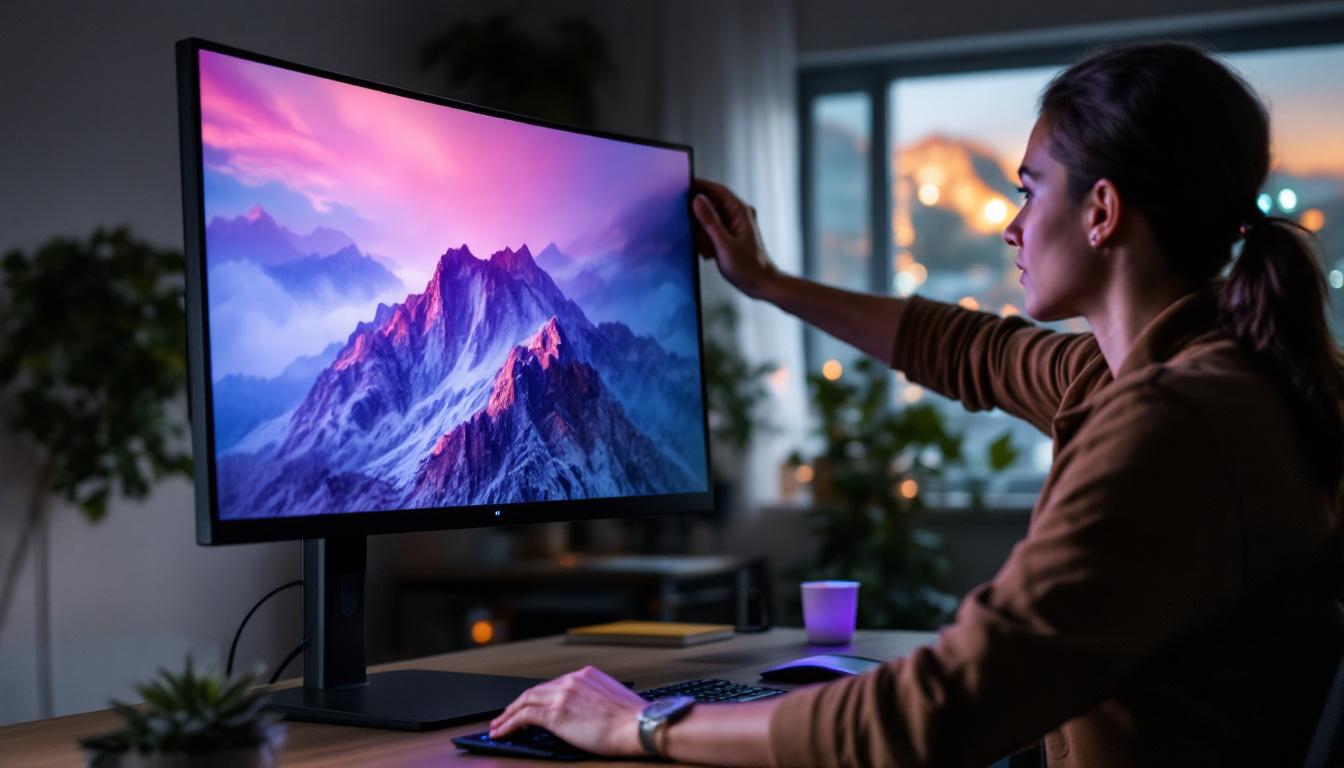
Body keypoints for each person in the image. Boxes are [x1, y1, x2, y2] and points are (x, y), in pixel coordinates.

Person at [488, 41, 1344, 767]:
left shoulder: (1174, 423)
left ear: (1102, 211)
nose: (1011, 226)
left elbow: (945, 708)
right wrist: (770, 282)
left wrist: (642, 726)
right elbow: (967, 349)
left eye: (1029, 189)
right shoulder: (1168, 373)